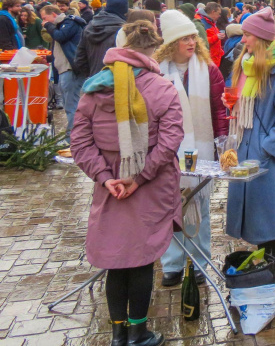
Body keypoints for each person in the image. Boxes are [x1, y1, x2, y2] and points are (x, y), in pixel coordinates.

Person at [71, 19, 182, 346]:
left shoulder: (93, 87)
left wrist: (105, 179)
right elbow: (170, 139)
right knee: (141, 258)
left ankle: (119, 333)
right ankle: (138, 331)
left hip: (111, 187)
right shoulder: (162, 88)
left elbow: (80, 143)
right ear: (152, 50)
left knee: (116, 259)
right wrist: (141, 175)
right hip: (148, 184)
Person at [226, 7, 275, 306]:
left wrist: (269, 147)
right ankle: (262, 279)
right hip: (244, 150)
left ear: (262, 38)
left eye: (247, 34)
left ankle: (272, 280)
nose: (243, 40)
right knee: (259, 220)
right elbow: (243, 106)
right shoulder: (244, 64)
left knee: (273, 221)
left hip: (267, 158)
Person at [153, 10, 228, 287]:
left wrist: (221, 144)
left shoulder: (208, 70)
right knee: (169, 206)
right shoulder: (156, 70)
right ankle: (171, 264)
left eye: (193, 37)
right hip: (168, 149)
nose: (192, 42)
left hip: (201, 148)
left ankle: (200, 260)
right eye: (185, 38)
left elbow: (218, 110)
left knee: (199, 203)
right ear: (171, 43)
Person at [41, 5, 87, 135]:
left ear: (54, 15)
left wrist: (48, 26)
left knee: (71, 106)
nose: (44, 22)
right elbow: (64, 48)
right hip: (65, 69)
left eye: (45, 18)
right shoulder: (60, 26)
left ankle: (72, 139)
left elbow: (61, 37)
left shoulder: (69, 23)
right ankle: (74, 136)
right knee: (70, 105)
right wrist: (49, 58)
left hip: (71, 69)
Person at [75, 0, 129, 79]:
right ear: (124, 10)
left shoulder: (89, 27)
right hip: (116, 81)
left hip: (94, 82)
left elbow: (79, 59)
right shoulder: (124, 30)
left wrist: (92, 75)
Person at [196, 2, 223, 66]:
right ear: (213, 12)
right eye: (218, 13)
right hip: (208, 60)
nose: (219, 16)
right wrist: (216, 37)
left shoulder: (210, 21)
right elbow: (201, 41)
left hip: (213, 59)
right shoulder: (201, 22)